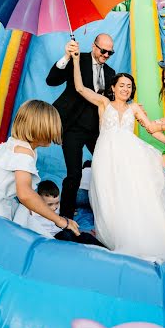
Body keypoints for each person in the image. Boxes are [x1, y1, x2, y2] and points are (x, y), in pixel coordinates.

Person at [72, 46, 165, 262]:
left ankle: (137, 237)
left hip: (130, 155)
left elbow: (151, 128)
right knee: (107, 193)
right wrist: (76, 60)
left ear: (132, 90)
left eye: (129, 86)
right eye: (121, 85)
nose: (125, 89)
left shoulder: (134, 109)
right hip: (105, 155)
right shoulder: (104, 103)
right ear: (113, 87)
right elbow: (80, 88)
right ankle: (114, 234)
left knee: (130, 193)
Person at [0, 100, 79, 236]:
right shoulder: (23, 153)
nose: (54, 133)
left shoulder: (20, 144)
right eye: (51, 129)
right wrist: (60, 220)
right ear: (38, 129)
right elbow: (24, 194)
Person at [46, 34, 116, 220]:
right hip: (72, 127)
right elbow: (51, 80)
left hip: (96, 131)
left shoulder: (110, 73)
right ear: (94, 46)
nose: (106, 55)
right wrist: (67, 57)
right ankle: (66, 216)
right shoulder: (78, 58)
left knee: (109, 167)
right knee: (74, 174)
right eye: (103, 50)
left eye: (110, 52)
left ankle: (107, 212)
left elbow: (112, 102)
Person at [13, 179, 104, 247]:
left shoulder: (56, 208)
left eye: (57, 203)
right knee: (67, 236)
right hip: (52, 237)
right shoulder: (34, 210)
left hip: (61, 231)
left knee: (85, 236)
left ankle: (106, 251)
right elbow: (24, 199)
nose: (54, 207)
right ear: (39, 202)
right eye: (50, 204)